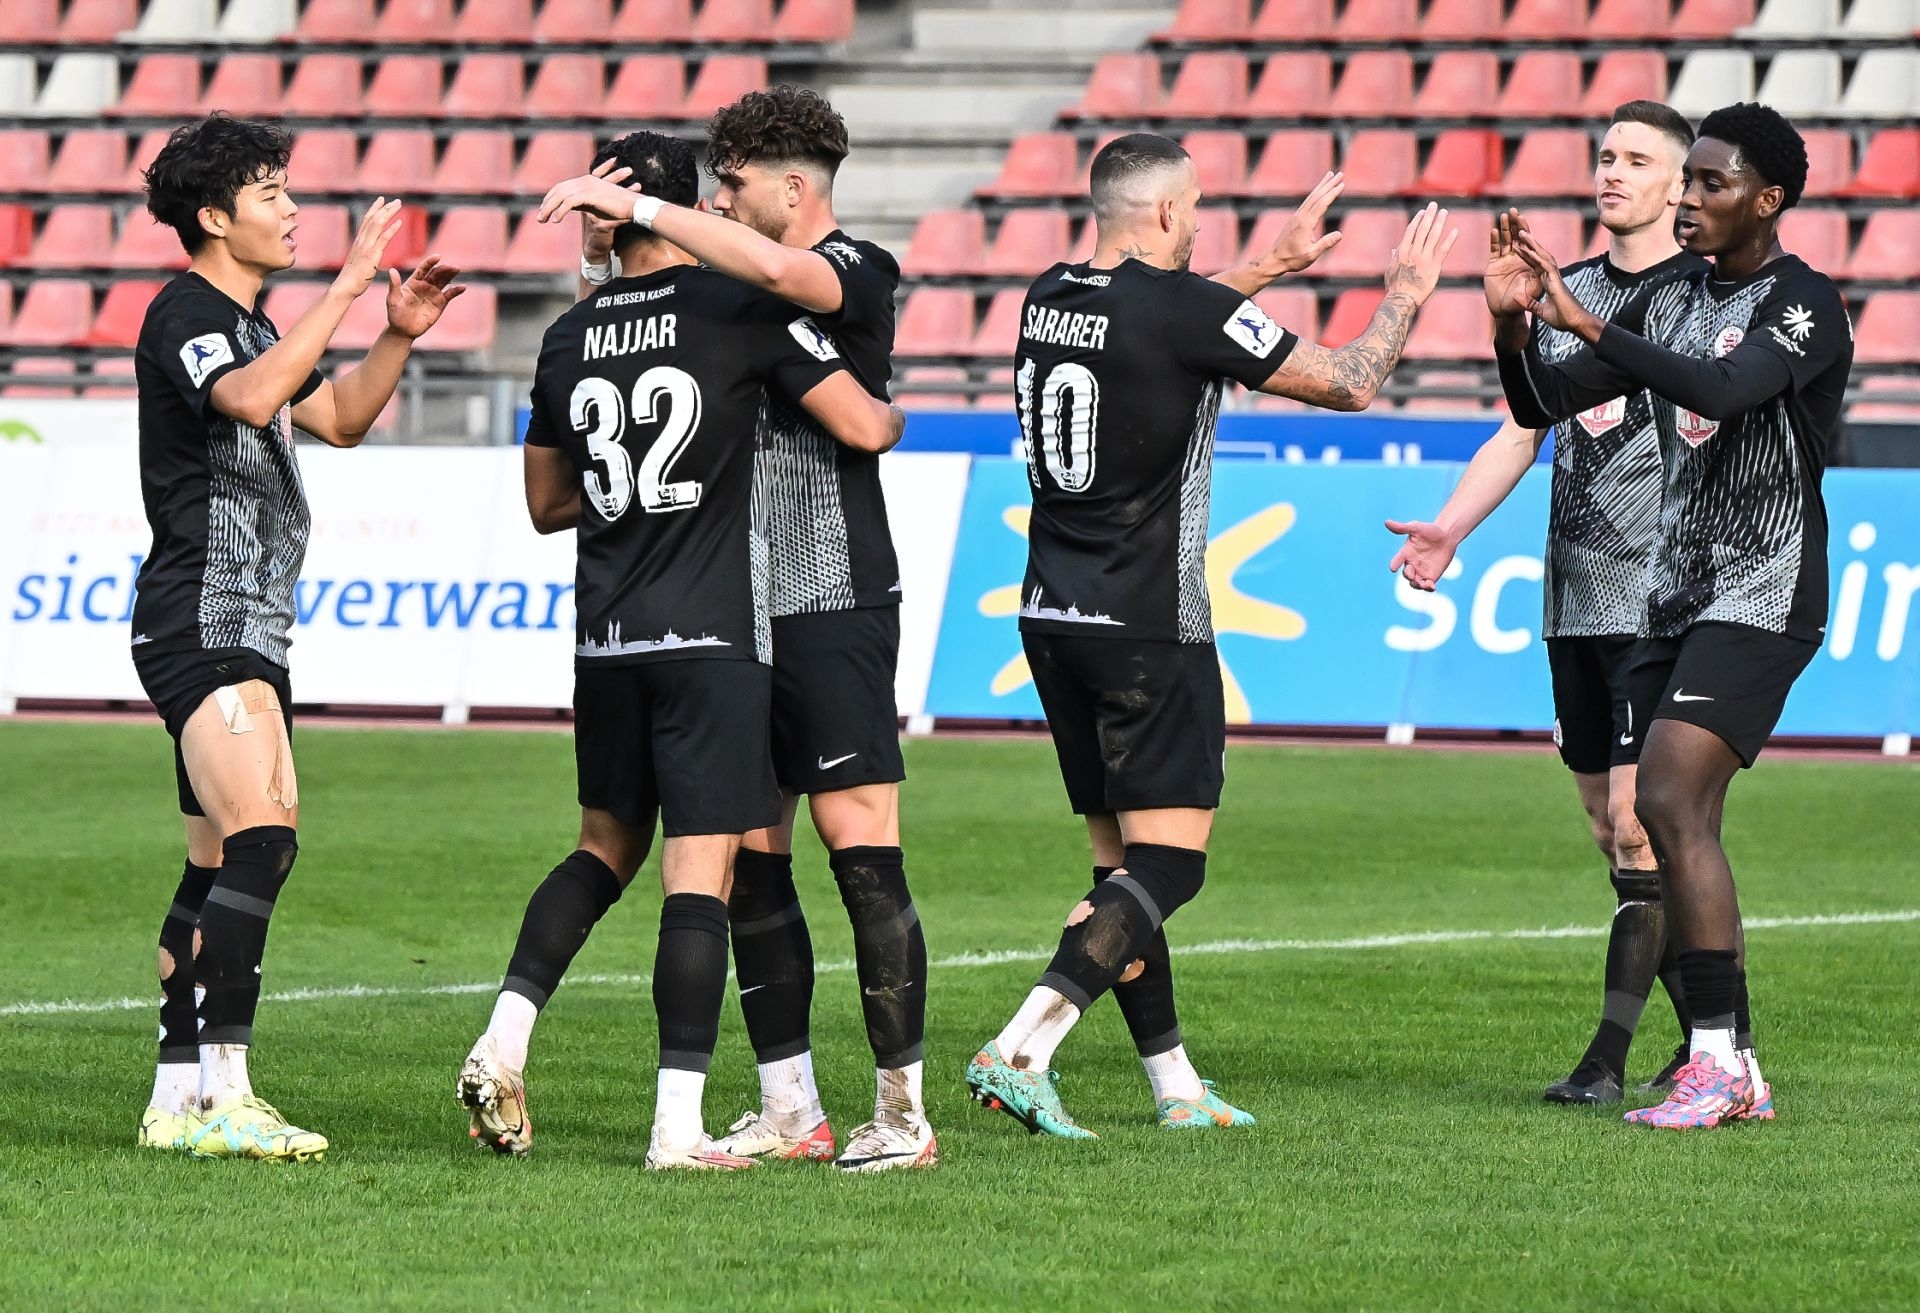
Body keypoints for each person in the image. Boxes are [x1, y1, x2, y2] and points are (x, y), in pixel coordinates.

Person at [962, 132, 1455, 1137]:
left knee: (1122, 870)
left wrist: (1270, 264)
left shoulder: (1048, 295)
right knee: (1170, 867)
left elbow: (1165, 321)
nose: (1196, 222)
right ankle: (1020, 1047)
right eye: (1192, 207)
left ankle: (1175, 1083)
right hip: (1149, 624)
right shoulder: (1183, 308)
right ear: (1165, 213)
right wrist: (1406, 292)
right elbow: (1352, 380)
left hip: (1051, 616)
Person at [458, 131, 903, 1171]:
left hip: (606, 631)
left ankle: (504, 1037)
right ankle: (677, 1128)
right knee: (700, 873)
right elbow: (864, 427)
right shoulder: (732, 309)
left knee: (600, 847)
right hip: (712, 633)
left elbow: (546, 503)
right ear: (685, 208)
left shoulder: (567, 333)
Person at [1492, 103, 1851, 1129]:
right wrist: (1514, 325)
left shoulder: (1803, 301)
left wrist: (1587, 321)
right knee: (1669, 816)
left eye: (1710, 183)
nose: (1689, 199)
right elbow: (1541, 403)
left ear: (1766, 200)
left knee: (1666, 794)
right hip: (1672, 592)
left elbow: (1726, 388)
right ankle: (1733, 1063)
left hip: (1764, 586)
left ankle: (1715, 1062)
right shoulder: (1670, 297)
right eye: (1686, 180)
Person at [132, 114, 465, 1160]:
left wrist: (396, 332)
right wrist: (350, 284)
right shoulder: (189, 313)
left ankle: (174, 1098)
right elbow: (250, 397)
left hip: (247, 620)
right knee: (265, 840)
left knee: (213, 862)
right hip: (208, 615)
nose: (291, 209)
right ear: (213, 217)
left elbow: (343, 416)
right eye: (269, 193)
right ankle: (228, 1097)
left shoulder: (257, 326)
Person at [1386, 102, 1708, 1105]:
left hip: (1660, 597)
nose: (1613, 171)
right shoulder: (1569, 287)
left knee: (1637, 825)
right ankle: (1718, 1036)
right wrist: (1451, 526)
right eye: (1606, 155)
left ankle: (1604, 1062)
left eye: (1638, 159)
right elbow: (1527, 425)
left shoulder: (1701, 295)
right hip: (1574, 598)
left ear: (1679, 183)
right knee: (1613, 834)